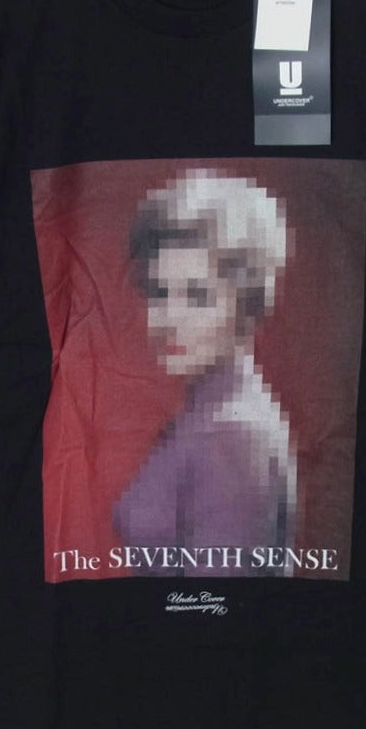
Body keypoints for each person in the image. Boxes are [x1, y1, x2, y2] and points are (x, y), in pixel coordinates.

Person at [111, 166, 299, 578]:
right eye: (160, 293)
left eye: (197, 296)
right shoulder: (211, 415)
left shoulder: (230, 434)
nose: (168, 319)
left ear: (247, 305)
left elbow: (216, 608)